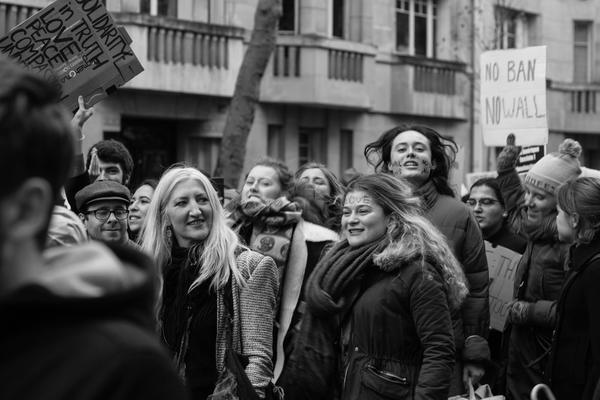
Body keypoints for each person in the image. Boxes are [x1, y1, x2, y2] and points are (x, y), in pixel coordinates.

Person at [0, 57, 186, 400]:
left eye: (119, 211)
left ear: (26, 209)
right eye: (102, 213)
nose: (112, 220)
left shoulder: (126, 375)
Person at [304, 173, 468, 399]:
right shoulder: (346, 269)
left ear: (391, 219)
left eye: (363, 211)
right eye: (346, 212)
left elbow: (439, 351)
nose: (351, 219)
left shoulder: (417, 273)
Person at [364, 125, 490, 392]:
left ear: (432, 163)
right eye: (402, 149)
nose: (411, 153)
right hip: (382, 353)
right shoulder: (370, 212)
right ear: (388, 164)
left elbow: (477, 290)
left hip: (442, 351)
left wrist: (474, 351)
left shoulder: (460, 214)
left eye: (419, 149)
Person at [140, 166, 279, 399]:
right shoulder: (153, 272)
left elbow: (258, 362)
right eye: (182, 203)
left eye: (202, 199)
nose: (195, 210)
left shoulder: (249, 267)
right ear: (165, 215)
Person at [226, 157, 339, 385]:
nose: (254, 187)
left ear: (284, 191)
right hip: (225, 329)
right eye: (250, 181)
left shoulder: (312, 235)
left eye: (265, 183)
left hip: (278, 336)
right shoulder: (227, 225)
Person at [495, 135, 582, 400]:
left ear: (561, 204)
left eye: (540, 197)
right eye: (528, 192)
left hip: (547, 357)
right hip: (522, 351)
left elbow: (576, 313)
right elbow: (515, 202)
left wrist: (531, 311)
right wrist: (506, 170)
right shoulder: (535, 228)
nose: (529, 201)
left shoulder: (569, 245)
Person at [467, 178, 527, 394]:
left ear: (504, 210)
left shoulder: (520, 246)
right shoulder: (460, 242)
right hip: (468, 341)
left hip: (502, 347)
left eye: (486, 202)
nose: (477, 208)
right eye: (471, 202)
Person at [547, 177, 600, 400]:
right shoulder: (583, 261)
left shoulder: (595, 269)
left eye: (558, 212)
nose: (555, 219)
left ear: (575, 219)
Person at [65, 137, 134, 214]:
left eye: (112, 171)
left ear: (127, 177)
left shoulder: (135, 210)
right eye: (97, 170)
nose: (102, 178)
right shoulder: (81, 211)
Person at [76, 180, 134, 246]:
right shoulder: (71, 255)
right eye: (102, 213)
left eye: (119, 212)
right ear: (83, 221)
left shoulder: (143, 254)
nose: (113, 219)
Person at [293, 162, 344, 232]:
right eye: (304, 182)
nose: (310, 184)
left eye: (318, 182)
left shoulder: (343, 222)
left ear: (331, 193)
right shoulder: (286, 218)